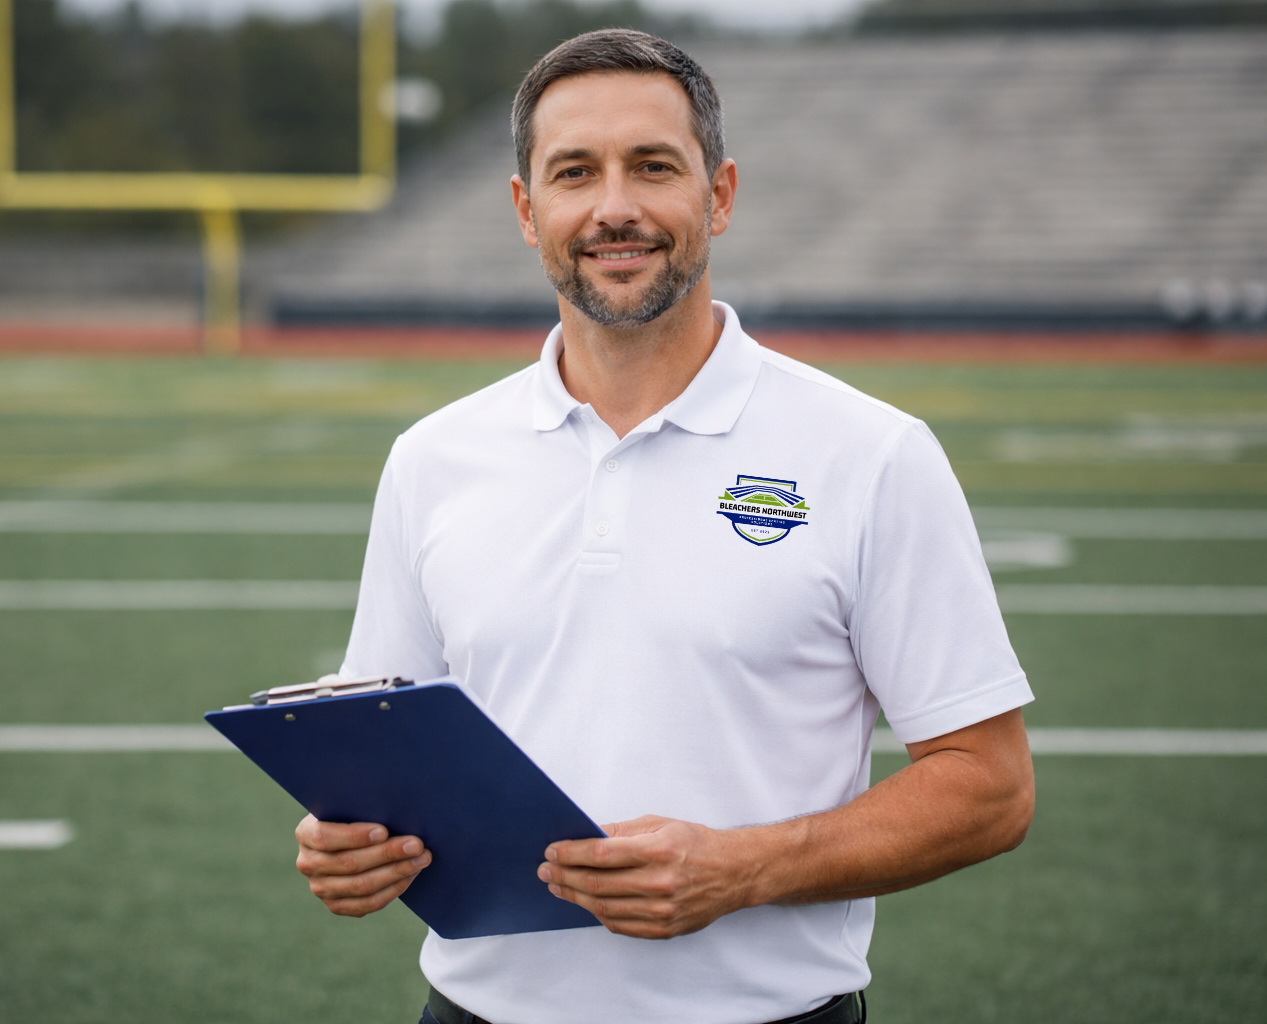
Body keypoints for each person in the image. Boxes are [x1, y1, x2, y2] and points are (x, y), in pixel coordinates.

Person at [293, 29, 1036, 1024]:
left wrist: (748, 867)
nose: (615, 207)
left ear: (718, 194)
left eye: (653, 166)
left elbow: (990, 786)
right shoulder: (434, 457)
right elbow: (385, 754)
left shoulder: (871, 453)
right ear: (526, 210)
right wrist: (350, 841)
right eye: (574, 172)